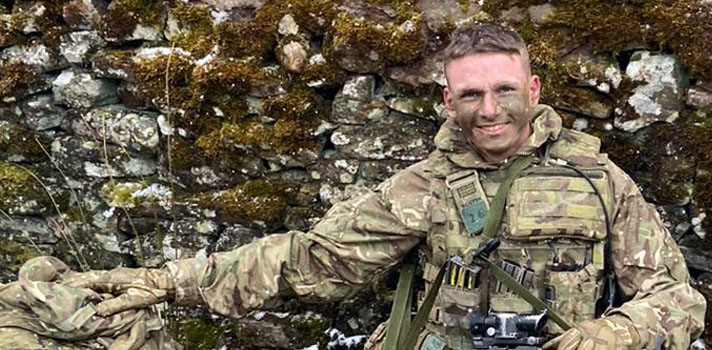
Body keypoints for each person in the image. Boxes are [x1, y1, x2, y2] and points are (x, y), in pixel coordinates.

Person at [0, 23, 705, 350]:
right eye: (470, 96)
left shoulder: (598, 178)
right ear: (446, 103)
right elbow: (310, 261)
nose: (489, 111)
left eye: (504, 90)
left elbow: (678, 298)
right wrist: (168, 281)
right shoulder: (425, 187)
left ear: (535, 89)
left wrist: (606, 339)